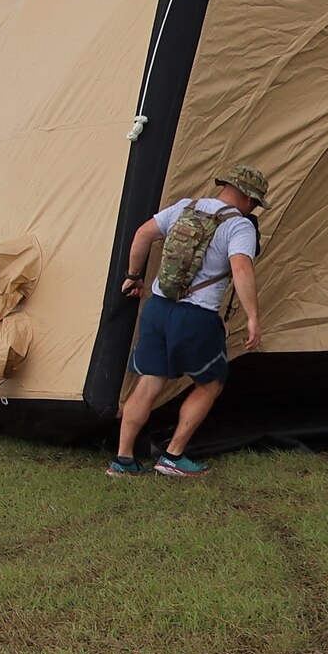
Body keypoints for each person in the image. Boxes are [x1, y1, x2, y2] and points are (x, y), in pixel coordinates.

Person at [109, 165, 269, 477]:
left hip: (157, 308)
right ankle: (173, 455)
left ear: (223, 186)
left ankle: (123, 460)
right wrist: (253, 317)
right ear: (249, 200)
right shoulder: (240, 226)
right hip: (196, 317)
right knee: (210, 384)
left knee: (149, 382)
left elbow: (143, 234)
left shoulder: (185, 207)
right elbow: (241, 269)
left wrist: (133, 276)